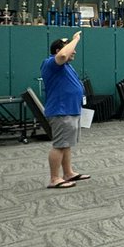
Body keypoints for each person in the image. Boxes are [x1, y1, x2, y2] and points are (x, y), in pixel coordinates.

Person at [40, 31, 89, 189]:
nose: (74, 51)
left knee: (66, 143)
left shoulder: (66, 66)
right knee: (59, 145)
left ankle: (68, 173)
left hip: (70, 109)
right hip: (61, 111)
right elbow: (62, 56)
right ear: (58, 51)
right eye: (70, 48)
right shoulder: (51, 63)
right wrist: (75, 40)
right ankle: (55, 178)